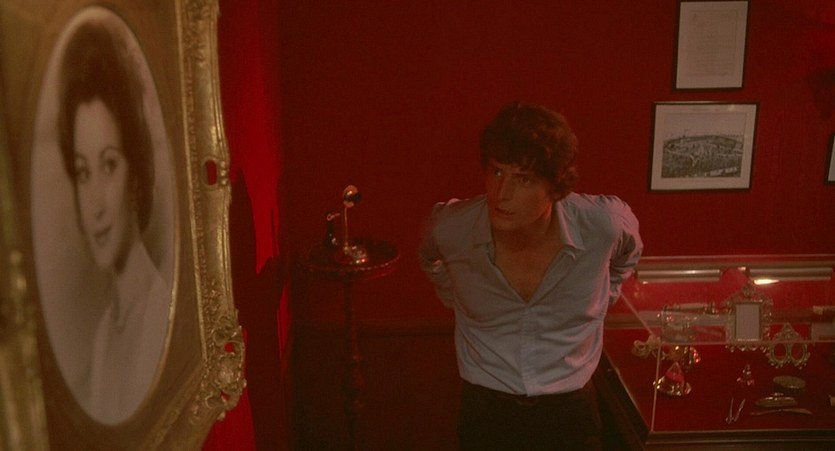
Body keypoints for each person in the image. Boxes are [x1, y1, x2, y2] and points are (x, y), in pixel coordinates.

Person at [419, 102, 642, 450]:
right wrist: (456, 294)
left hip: (570, 411)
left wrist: (604, 295)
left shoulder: (602, 225)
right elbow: (429, 257)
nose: (501, 193)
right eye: (497, 172)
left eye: (523, 178)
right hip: (487, 411)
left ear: (555, 187)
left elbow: (628, 255)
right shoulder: (453, 227)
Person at [57, 19, 170, 424]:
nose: (95, 205)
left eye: (109, 165)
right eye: (83, 172)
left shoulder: (160, 314)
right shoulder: (105, 334)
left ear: (135, 173)